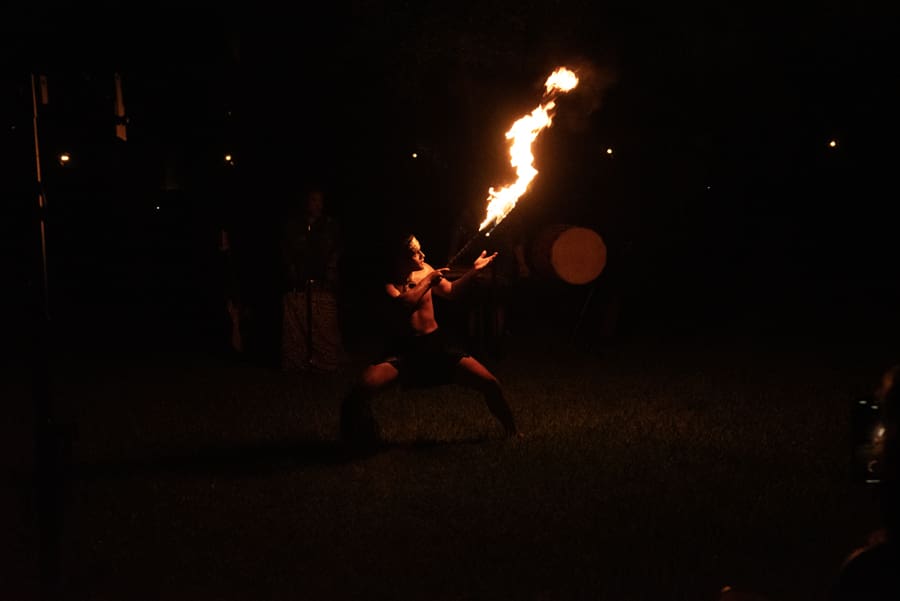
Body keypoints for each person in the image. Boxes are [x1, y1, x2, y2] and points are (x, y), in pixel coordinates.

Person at [340, 233, 520, 449]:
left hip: (436, 345)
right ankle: (356, 439)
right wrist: (428, 281)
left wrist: (474, 271)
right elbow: (404, 304)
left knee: (490, 383)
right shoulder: (388, 282)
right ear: (400, 258)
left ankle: (513, 433)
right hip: (403, 349)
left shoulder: (425, 270)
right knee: (360, 390)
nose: (423, 255)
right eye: (416, 253)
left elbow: (451, 291)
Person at [280, 185, 347, 372]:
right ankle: (298, 360)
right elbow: (287, 251)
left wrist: (331, 269)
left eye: (320, 201)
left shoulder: (330, 226)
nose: (317, 205)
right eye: (313, 200)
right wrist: (292, 270)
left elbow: (337, 250)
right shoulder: (294, 226)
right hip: (299, 283)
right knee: (298, 319)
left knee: (323, 321)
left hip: (323, 282)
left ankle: (324, 359)